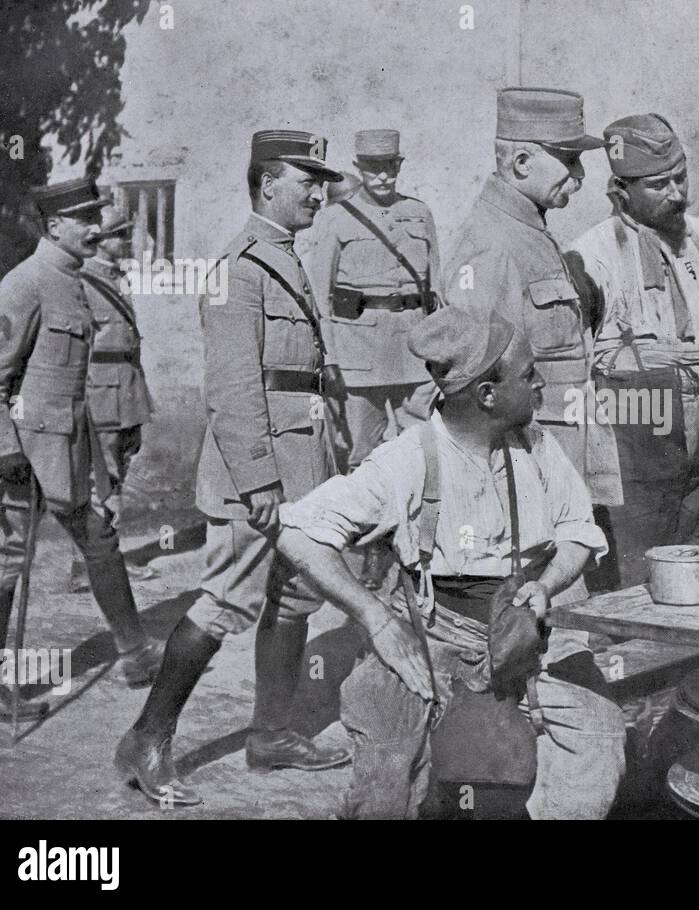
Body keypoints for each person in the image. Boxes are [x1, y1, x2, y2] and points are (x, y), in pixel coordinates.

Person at [277, 305, 627, 819]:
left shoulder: (535, 444)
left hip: (530, 627)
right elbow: (298, 533)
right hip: (435, 630)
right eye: (528, 374)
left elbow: (578, 531)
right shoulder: (408, 458)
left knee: (598, 730)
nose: (541, 383)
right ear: (487, 394)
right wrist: (374, 618)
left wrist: (548, 586)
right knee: (384, 739)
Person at [115, 131, 350, 807]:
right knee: (226, 599)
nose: (318, 190)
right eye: (306, 178)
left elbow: (297, 372)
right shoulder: (239, 267)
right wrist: (259, 481)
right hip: (260, 472)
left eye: (320, 179)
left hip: (302, 464)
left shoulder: (284, 257)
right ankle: (147, 739)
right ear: (267, 182)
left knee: (296, 597)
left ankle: (272, 734)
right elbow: (234, 386)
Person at [0, 178, 163, 722]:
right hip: (22, 457)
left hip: (67, 450)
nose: (96, 228)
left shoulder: (72, 280)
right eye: (85, 219)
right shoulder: (26, 283)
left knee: (99, 538)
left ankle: (135, 652)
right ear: (55, 226)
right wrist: (0, 450)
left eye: (96, 217)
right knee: (6, 560)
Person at [568, 113, 699, 587]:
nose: (677, 193)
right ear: (621, 189)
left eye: (681, 177)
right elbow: (576, 365)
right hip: (636, 421)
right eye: (658, 184)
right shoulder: (589, 255)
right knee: (637, 564)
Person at [443, 87, 619, 506]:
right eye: (570, 160)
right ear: (522, 163)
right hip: (525, 467)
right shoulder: (489, 243)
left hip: (559, 453)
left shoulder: (529, 233)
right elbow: (480, 388)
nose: (579, 176)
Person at [304, 128, 441, 590]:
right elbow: (320, 297)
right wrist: (329, 360)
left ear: (400, 166)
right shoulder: (336, 219)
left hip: (414, 353)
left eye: (390, 166)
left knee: (424, 452)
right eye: (372, 167)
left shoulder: (419, 214)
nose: (382, 175)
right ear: (359, 169)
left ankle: (423, 554)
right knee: (362, 460)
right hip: (357, 356)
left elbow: (435, 290)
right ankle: (369, 563)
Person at [68, 206, 156, 592]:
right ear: (101, 241)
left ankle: (106, 557)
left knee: (115, 479)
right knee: (98, 481)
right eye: (120, 235)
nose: (126, 241)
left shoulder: (115, 278)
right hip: (101, 395)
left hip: (127, 391)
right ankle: (85, 566)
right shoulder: (83, 282)